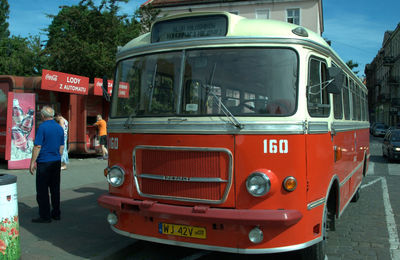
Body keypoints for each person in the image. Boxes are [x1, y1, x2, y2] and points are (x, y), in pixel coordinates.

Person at [29, 106, 64, 223]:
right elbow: (61, 147)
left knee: (42, 190)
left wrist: (32, 162)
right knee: (55, 189)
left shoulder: (42, 127)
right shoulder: (59, 128)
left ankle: (45, 216)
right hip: (56, 161)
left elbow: (37, 146)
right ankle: (56, 213)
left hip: (44, 162)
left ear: (43, 116)